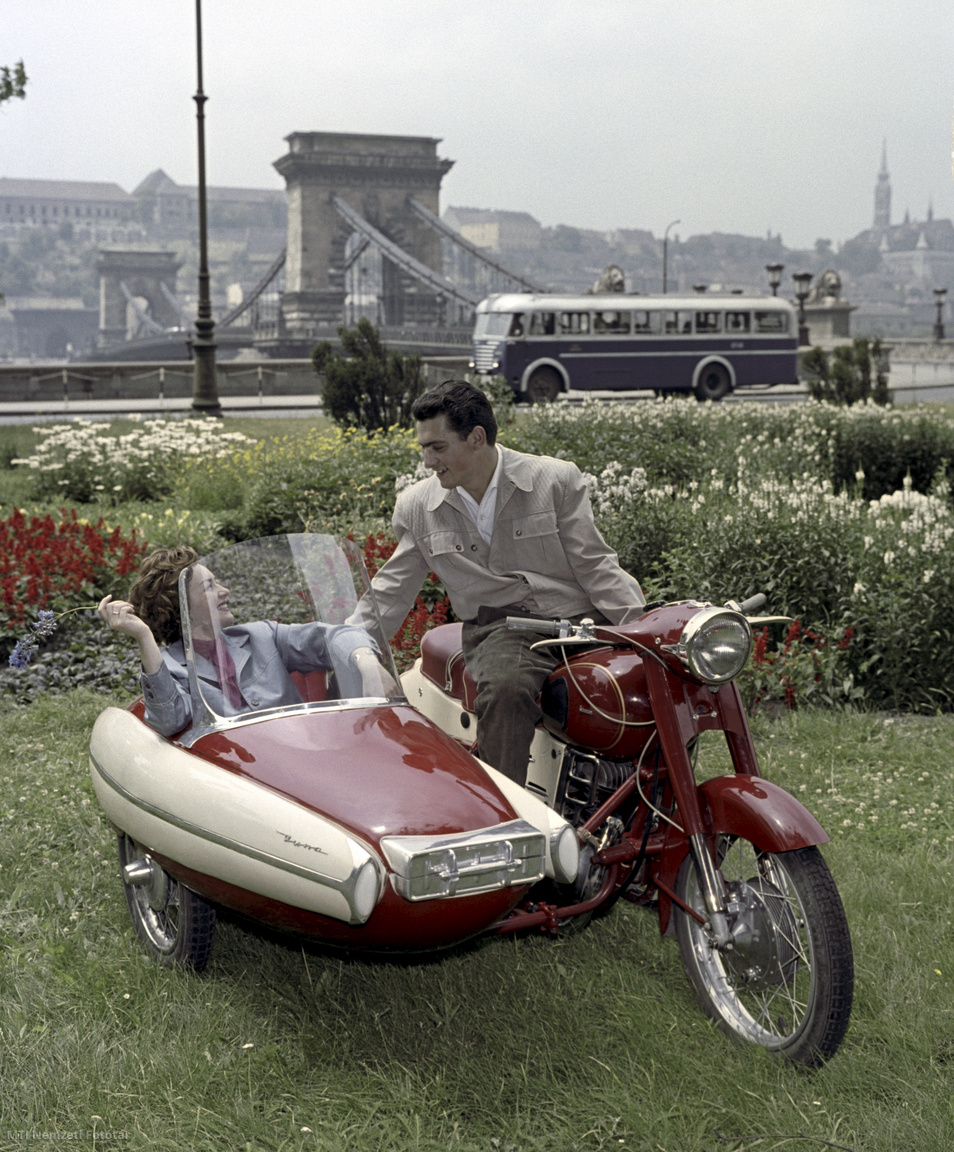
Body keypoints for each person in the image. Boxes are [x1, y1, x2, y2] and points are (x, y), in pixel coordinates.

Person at [352, 380, 645, 785]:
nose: (427, 462)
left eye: (437, 447)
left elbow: (594, 563)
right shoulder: (420, 507)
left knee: (651, 683)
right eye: (423, 448)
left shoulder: (554, 481)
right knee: (506, 689)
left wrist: (641, 628)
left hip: (581, 620)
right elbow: (391, 590)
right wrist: (346, 648)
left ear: (476, 438)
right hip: (502, 630)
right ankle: (503, 815)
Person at [100, 545, 394, 737]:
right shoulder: (170, 669)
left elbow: (333, 635)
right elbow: (168, 721)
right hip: (244, 786)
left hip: (308, 759)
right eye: (210, 586)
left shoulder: (262, 635)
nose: (225, 591)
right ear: (181, 604)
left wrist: (366, 662)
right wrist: (143, 636)